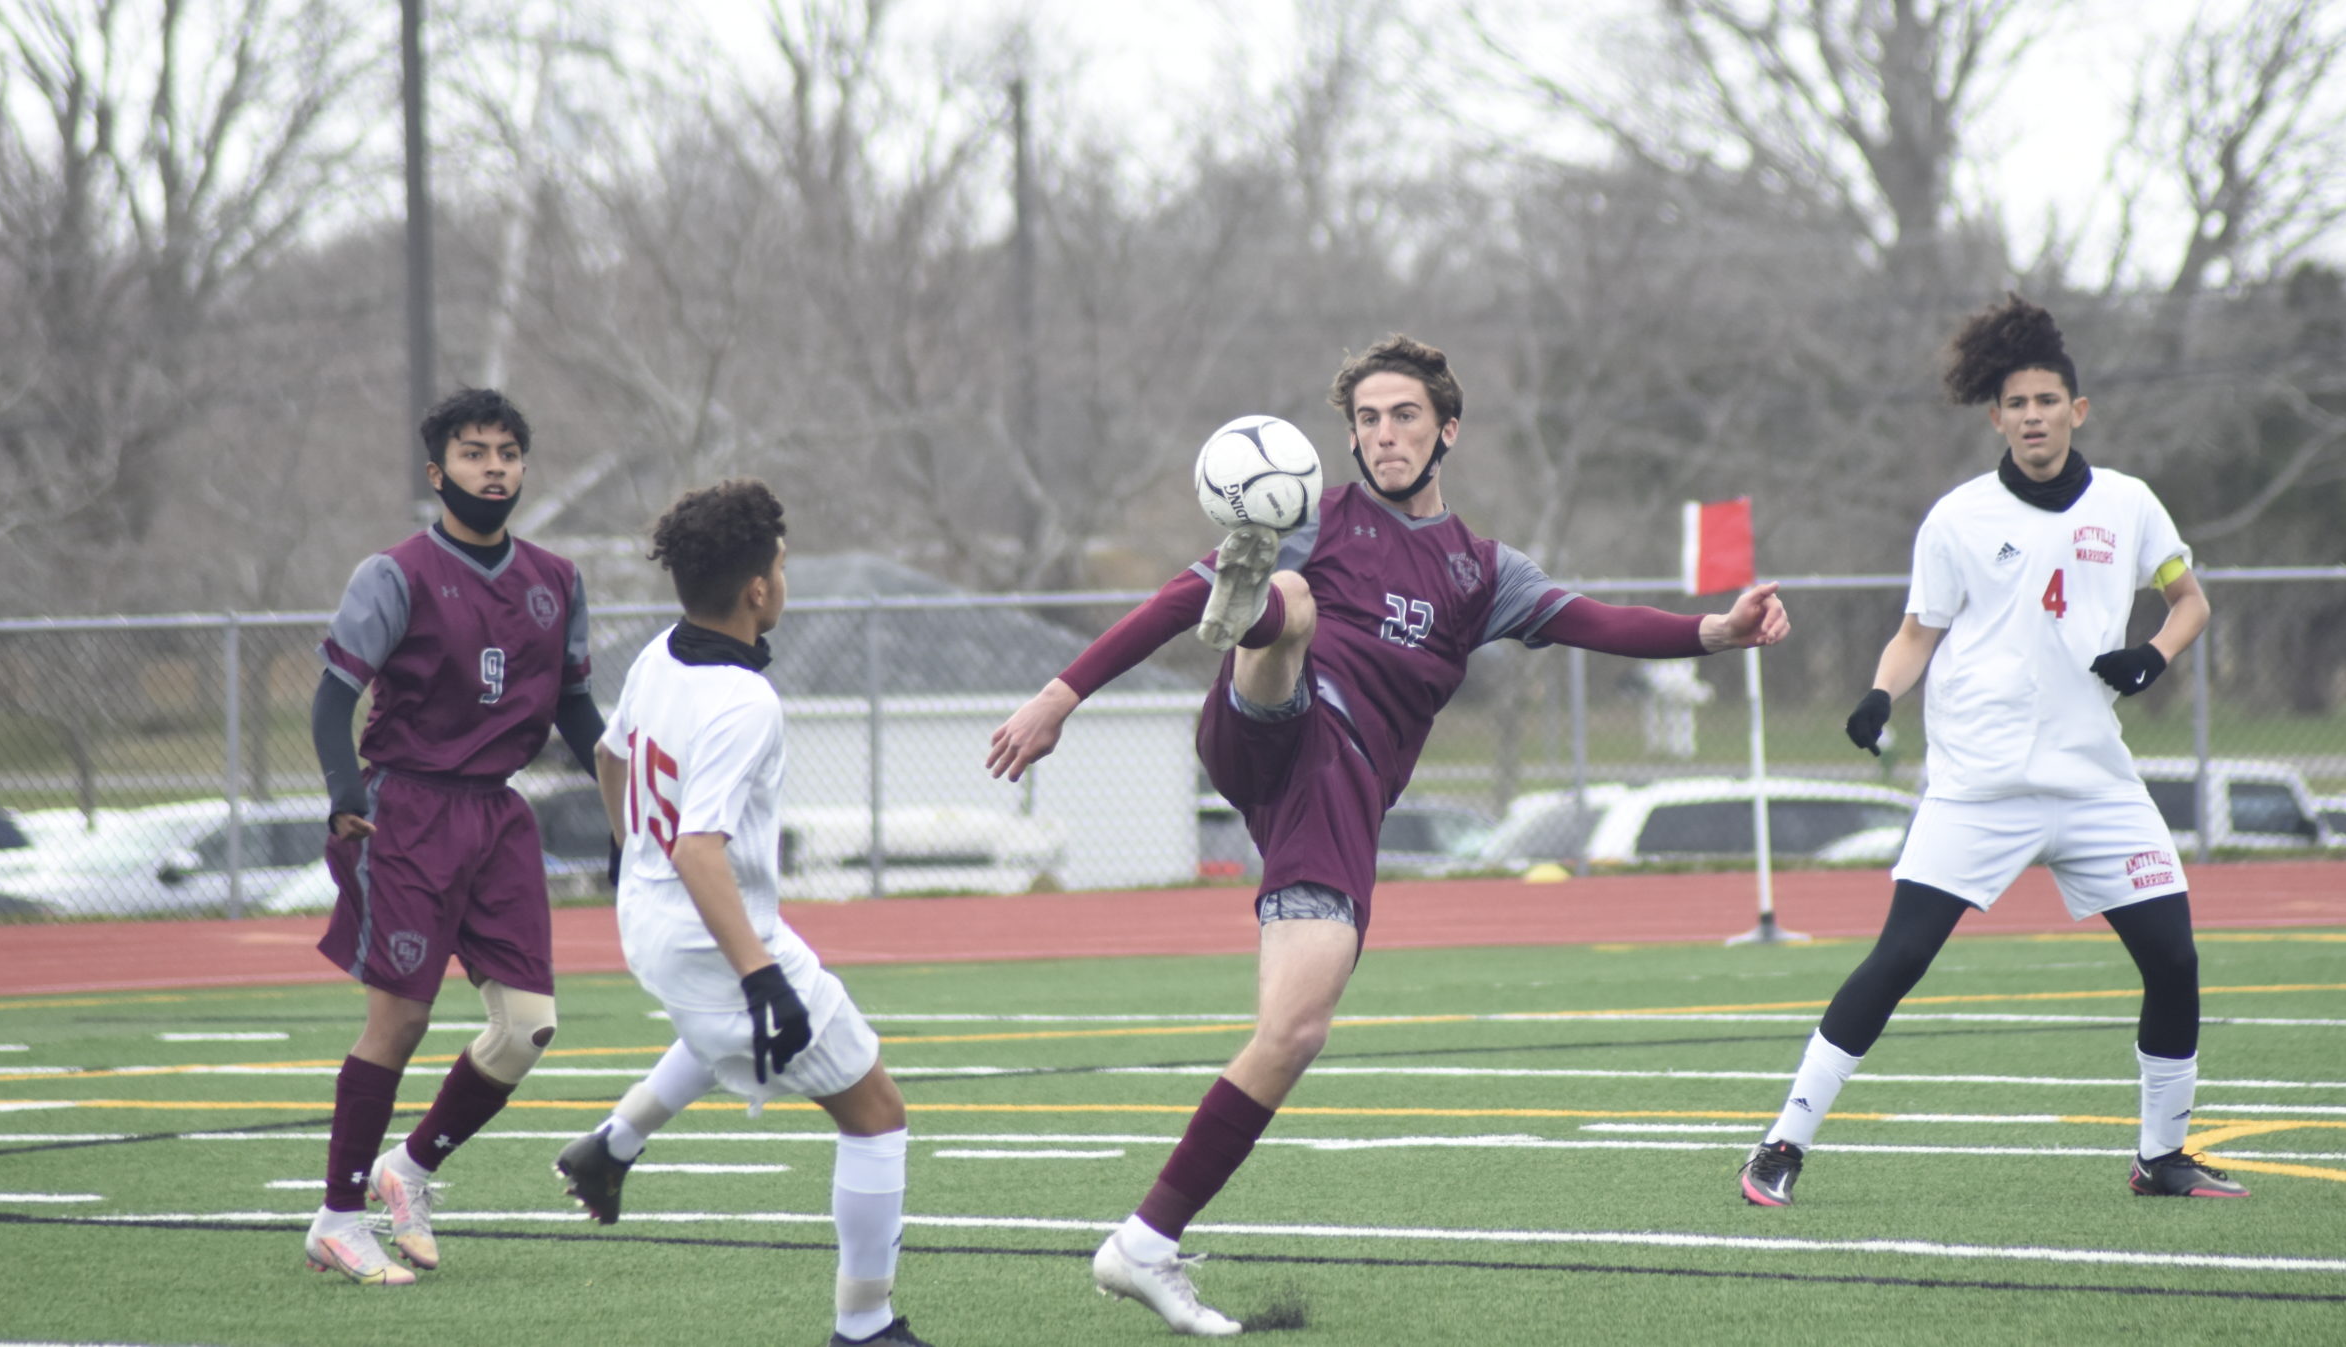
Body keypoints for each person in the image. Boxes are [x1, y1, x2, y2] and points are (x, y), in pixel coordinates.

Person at [988, 333, 1790, 1334]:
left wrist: (1711, 631)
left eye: (1403, 415)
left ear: (1446, 428)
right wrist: (1058, 699)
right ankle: (1251, 612)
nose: (1383, 434)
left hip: (1332, 795)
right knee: (1286, 600)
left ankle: (1143, 1244)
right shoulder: (1311, 519)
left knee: (1293, 1032)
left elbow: (1591, 619)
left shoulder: (1477, 572)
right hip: (1267, 723)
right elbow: (1163, 604)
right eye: (1365, 419)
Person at [1737, 296, 2248, 1209]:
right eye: (2018, 403)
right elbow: (1913, 636)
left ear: (2078, 409)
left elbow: (2190, 601)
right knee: (1896, 962)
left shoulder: (2129, 504)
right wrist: (1877, 694)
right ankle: (1781, 1143)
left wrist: (2153, 655)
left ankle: (2160, 1157)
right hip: (1978, 790)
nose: (2035, 415)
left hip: (2096, 784)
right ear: (1997, 417)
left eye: (2050, 399)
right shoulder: (1957, 518)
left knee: (2173, 959)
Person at [554, 480, 931, 1347]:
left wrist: (623, 848)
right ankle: (865, 1327)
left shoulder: (659, 654)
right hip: (705, 927)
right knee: (875, 1113)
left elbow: (611, 756)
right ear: (758, 590)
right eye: (783, 565)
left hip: (649, 921)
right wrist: (762, 976)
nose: (785, 577)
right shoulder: (744, 700)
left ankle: (611, 1146)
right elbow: (699, 847)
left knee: (719, 1027)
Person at [305, 387, 604, 1285]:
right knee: (401, 1017)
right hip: (406, 811)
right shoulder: (394, 573)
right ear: (439, 473)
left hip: (497, 814)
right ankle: (337, 1215)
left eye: (508, 451)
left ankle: (413, 1168)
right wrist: (343, 792)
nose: (494, 467)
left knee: (527, 1028)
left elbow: (579, 711)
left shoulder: (557, 580)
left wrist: (635, 801)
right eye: (474, 453)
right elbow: (331, 699)